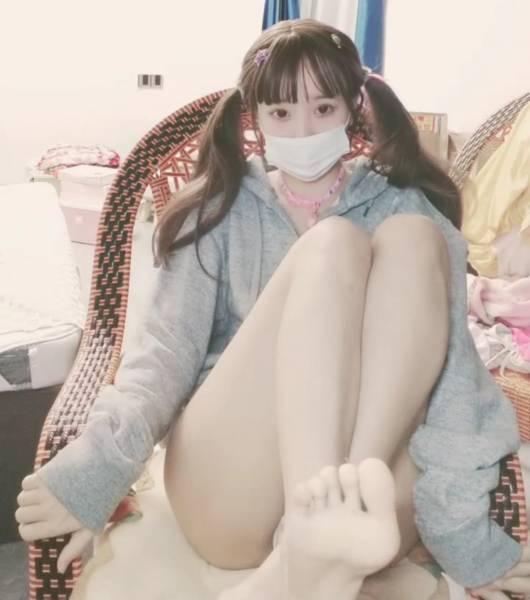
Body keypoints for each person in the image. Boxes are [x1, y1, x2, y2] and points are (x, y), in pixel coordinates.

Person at [15, 18, 530, 600]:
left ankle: (334, 520)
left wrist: (462, 533)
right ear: (254, 119)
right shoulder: (221, 211)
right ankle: (318, 526)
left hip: (373, 482)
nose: (302, 129)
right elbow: (161, 358)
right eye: (281, 113)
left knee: (414, 237)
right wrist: (96, 470)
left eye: (323, 109)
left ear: (352, 110)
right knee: (333, 246)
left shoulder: (404, 207)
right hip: (234, 485)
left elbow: (456, 379)